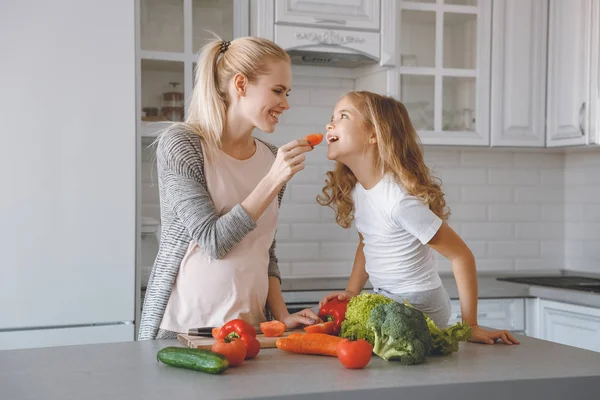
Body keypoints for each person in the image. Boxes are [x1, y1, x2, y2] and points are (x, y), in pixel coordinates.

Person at [138, 36, 321, 340]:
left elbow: (266, 251)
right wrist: (273, 179)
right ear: (240, 85)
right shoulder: (182, 144)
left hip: (252, 330)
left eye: (287, 92)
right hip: (186, 330)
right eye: (277, 91)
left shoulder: (272, 157)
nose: (285, 104)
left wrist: (283, 315)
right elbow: (213, 242)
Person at [316, 91, 519, 346]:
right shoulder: (360, 192)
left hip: (421, 303)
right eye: (332, 117)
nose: (329, 124)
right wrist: (351, 292)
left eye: (343, 116)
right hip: (388, 299)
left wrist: (471, 325)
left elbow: (461, 256)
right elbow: (367, 243)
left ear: (374, 135)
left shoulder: (398, 202)